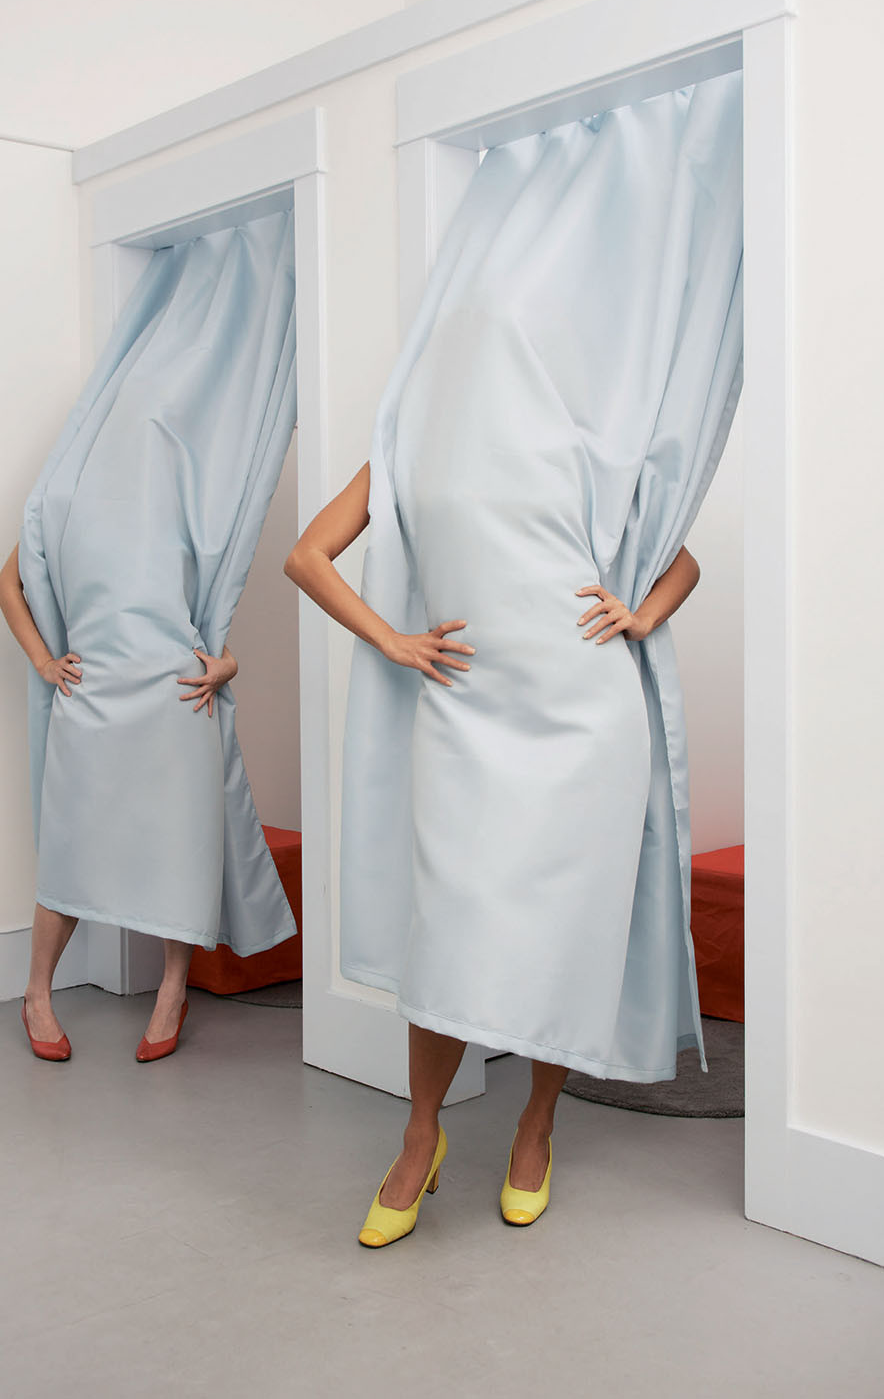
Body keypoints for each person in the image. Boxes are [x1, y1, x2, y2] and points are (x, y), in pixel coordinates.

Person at [285, 456, 700, 1245]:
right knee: (448, 929)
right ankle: (421, 1135)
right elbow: (306, 556)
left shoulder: (589, 447)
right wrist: (392, 640)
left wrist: (641, 617)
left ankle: (537, 1125)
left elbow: (680, 562)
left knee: (561, 934)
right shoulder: (411, 439)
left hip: (585, 722)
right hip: (466, 711)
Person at [0, 543, 237, 1063]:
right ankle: (36, 996)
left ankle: (172, 993)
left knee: (177, 848)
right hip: (93, 694)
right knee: (70, 851)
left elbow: (197, 607)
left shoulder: (182, 506)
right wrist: (43, 662)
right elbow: (7, 585)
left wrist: (228, 662)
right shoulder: (60, 506)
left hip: (176, 695)